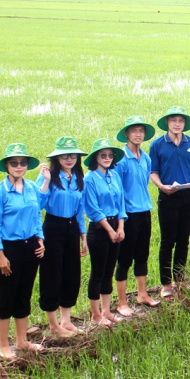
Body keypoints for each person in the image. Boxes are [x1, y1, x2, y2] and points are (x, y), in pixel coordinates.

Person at [0, 143, 46, 359]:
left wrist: (40, 238)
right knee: (6, 297)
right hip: (9, 249)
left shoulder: (30, 188)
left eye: (23, 162)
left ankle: (22, 341)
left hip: (31, 248)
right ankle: (3, 345)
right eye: (14, 162)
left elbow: (36, 215)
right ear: (7, 166)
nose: (19, 166)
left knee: (24, 295)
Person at [36, 137, 88, 337]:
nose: (69, 159)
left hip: (72, 228)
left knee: (71, 272)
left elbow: (79, 209)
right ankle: (53, 324)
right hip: (53, 227)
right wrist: (46, 182)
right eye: (64, 155)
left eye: (72, 155)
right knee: (52, 273)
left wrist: (83, 236)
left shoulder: (77, 177)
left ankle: (66, 320)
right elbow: (37, 204)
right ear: (57, 158)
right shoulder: (47, 176)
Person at [149, 105, 190, 300]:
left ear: (184, 124)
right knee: (167, 241)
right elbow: (153, 172)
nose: (177, 124)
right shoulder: (157, 144)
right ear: (167, 123)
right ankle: (166, 283)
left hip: (188, 196)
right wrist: (161, 186)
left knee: (183, 239)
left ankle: (180, 280)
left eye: (180, 121)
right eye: (174, 120)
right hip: (168, 197)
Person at [114, 115, 161, 312]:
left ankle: (142, 294)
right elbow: (117, 191)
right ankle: (122, 302)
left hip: (144, 211)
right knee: (124, 258)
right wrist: (120, 219)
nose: (138, 134)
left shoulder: (146, 158)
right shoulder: (121, 160)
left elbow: (144, 184)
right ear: (127, 134)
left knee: (142, 255)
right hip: (128, 214)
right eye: (134, 131)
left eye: (141, 131)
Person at [83, 139, 127, 327]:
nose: (107, 158)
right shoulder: (89, 178)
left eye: (110, 155)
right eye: (103, 155)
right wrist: (110, 230)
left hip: (115, 226)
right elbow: (92, 208)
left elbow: (121, 204)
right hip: (99, 230)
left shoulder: (114, 175)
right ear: (96, 158)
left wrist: (120, 227)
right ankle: (95, 314)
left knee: (109, 270)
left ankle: (106, 311)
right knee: (98, 272)